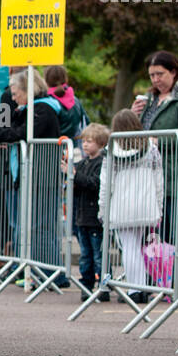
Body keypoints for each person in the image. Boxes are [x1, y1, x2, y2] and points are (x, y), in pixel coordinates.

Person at [0, 68, 60, 269]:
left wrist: (0, 134)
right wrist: (0, 132)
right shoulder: (30, 109)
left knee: (40, 227)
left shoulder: (43, 110)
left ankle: (48, 271)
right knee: (35, 226)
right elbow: (15, 129)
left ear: (28, 90)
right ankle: (34, 270)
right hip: (33, 174)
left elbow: (23, 133)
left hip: (41, 175)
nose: (14, 97)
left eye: (16, 93)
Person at [101, 110, 162, 303]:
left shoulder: (111, 150)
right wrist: (158, 205)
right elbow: (159, 179)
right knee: (136, 245)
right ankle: (141, 286)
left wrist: (103, 207)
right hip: (145, 202)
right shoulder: (151, 149)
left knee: (129, 247)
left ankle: (134, 289)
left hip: (122, 204)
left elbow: (106, 183)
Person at [72, 123, 110, 301]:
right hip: (82, 216)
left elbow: (94, 184)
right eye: (84, 141)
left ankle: (104, 286)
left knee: (98, 255)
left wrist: (75, 175)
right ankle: (85, 285)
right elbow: (77, 186)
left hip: (95, 217)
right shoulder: (82, 163)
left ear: (101, 143)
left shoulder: (101, 163)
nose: (85, 145)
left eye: (89, 141)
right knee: (85, 255)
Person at [132, 50, 178, 131]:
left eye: (160, 74)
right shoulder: (148, 97)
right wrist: (133, 116)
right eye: (152, 75)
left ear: (173, 72)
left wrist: (157, 140)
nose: (155, 79)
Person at [44, 65, 86, 138]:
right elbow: (85, 122)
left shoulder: (47, 102)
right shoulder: (75, 100)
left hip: (52, 146)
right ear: (66, 79)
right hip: (73, 145)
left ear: (46, 81)